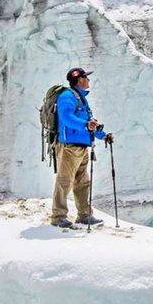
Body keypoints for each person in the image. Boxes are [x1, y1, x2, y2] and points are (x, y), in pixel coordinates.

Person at [51, 67, 113, 228]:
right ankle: (58, 217)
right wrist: (86, 125)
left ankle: (84, 215)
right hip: (69, 147)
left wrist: (103, 135)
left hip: (81, 147)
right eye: (86, 77)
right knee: (64, 181)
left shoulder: (80, 98)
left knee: (82, 182)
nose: (88, 80)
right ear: (79, 79)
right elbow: (66, 118)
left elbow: (90, 124)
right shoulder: (67, 96)